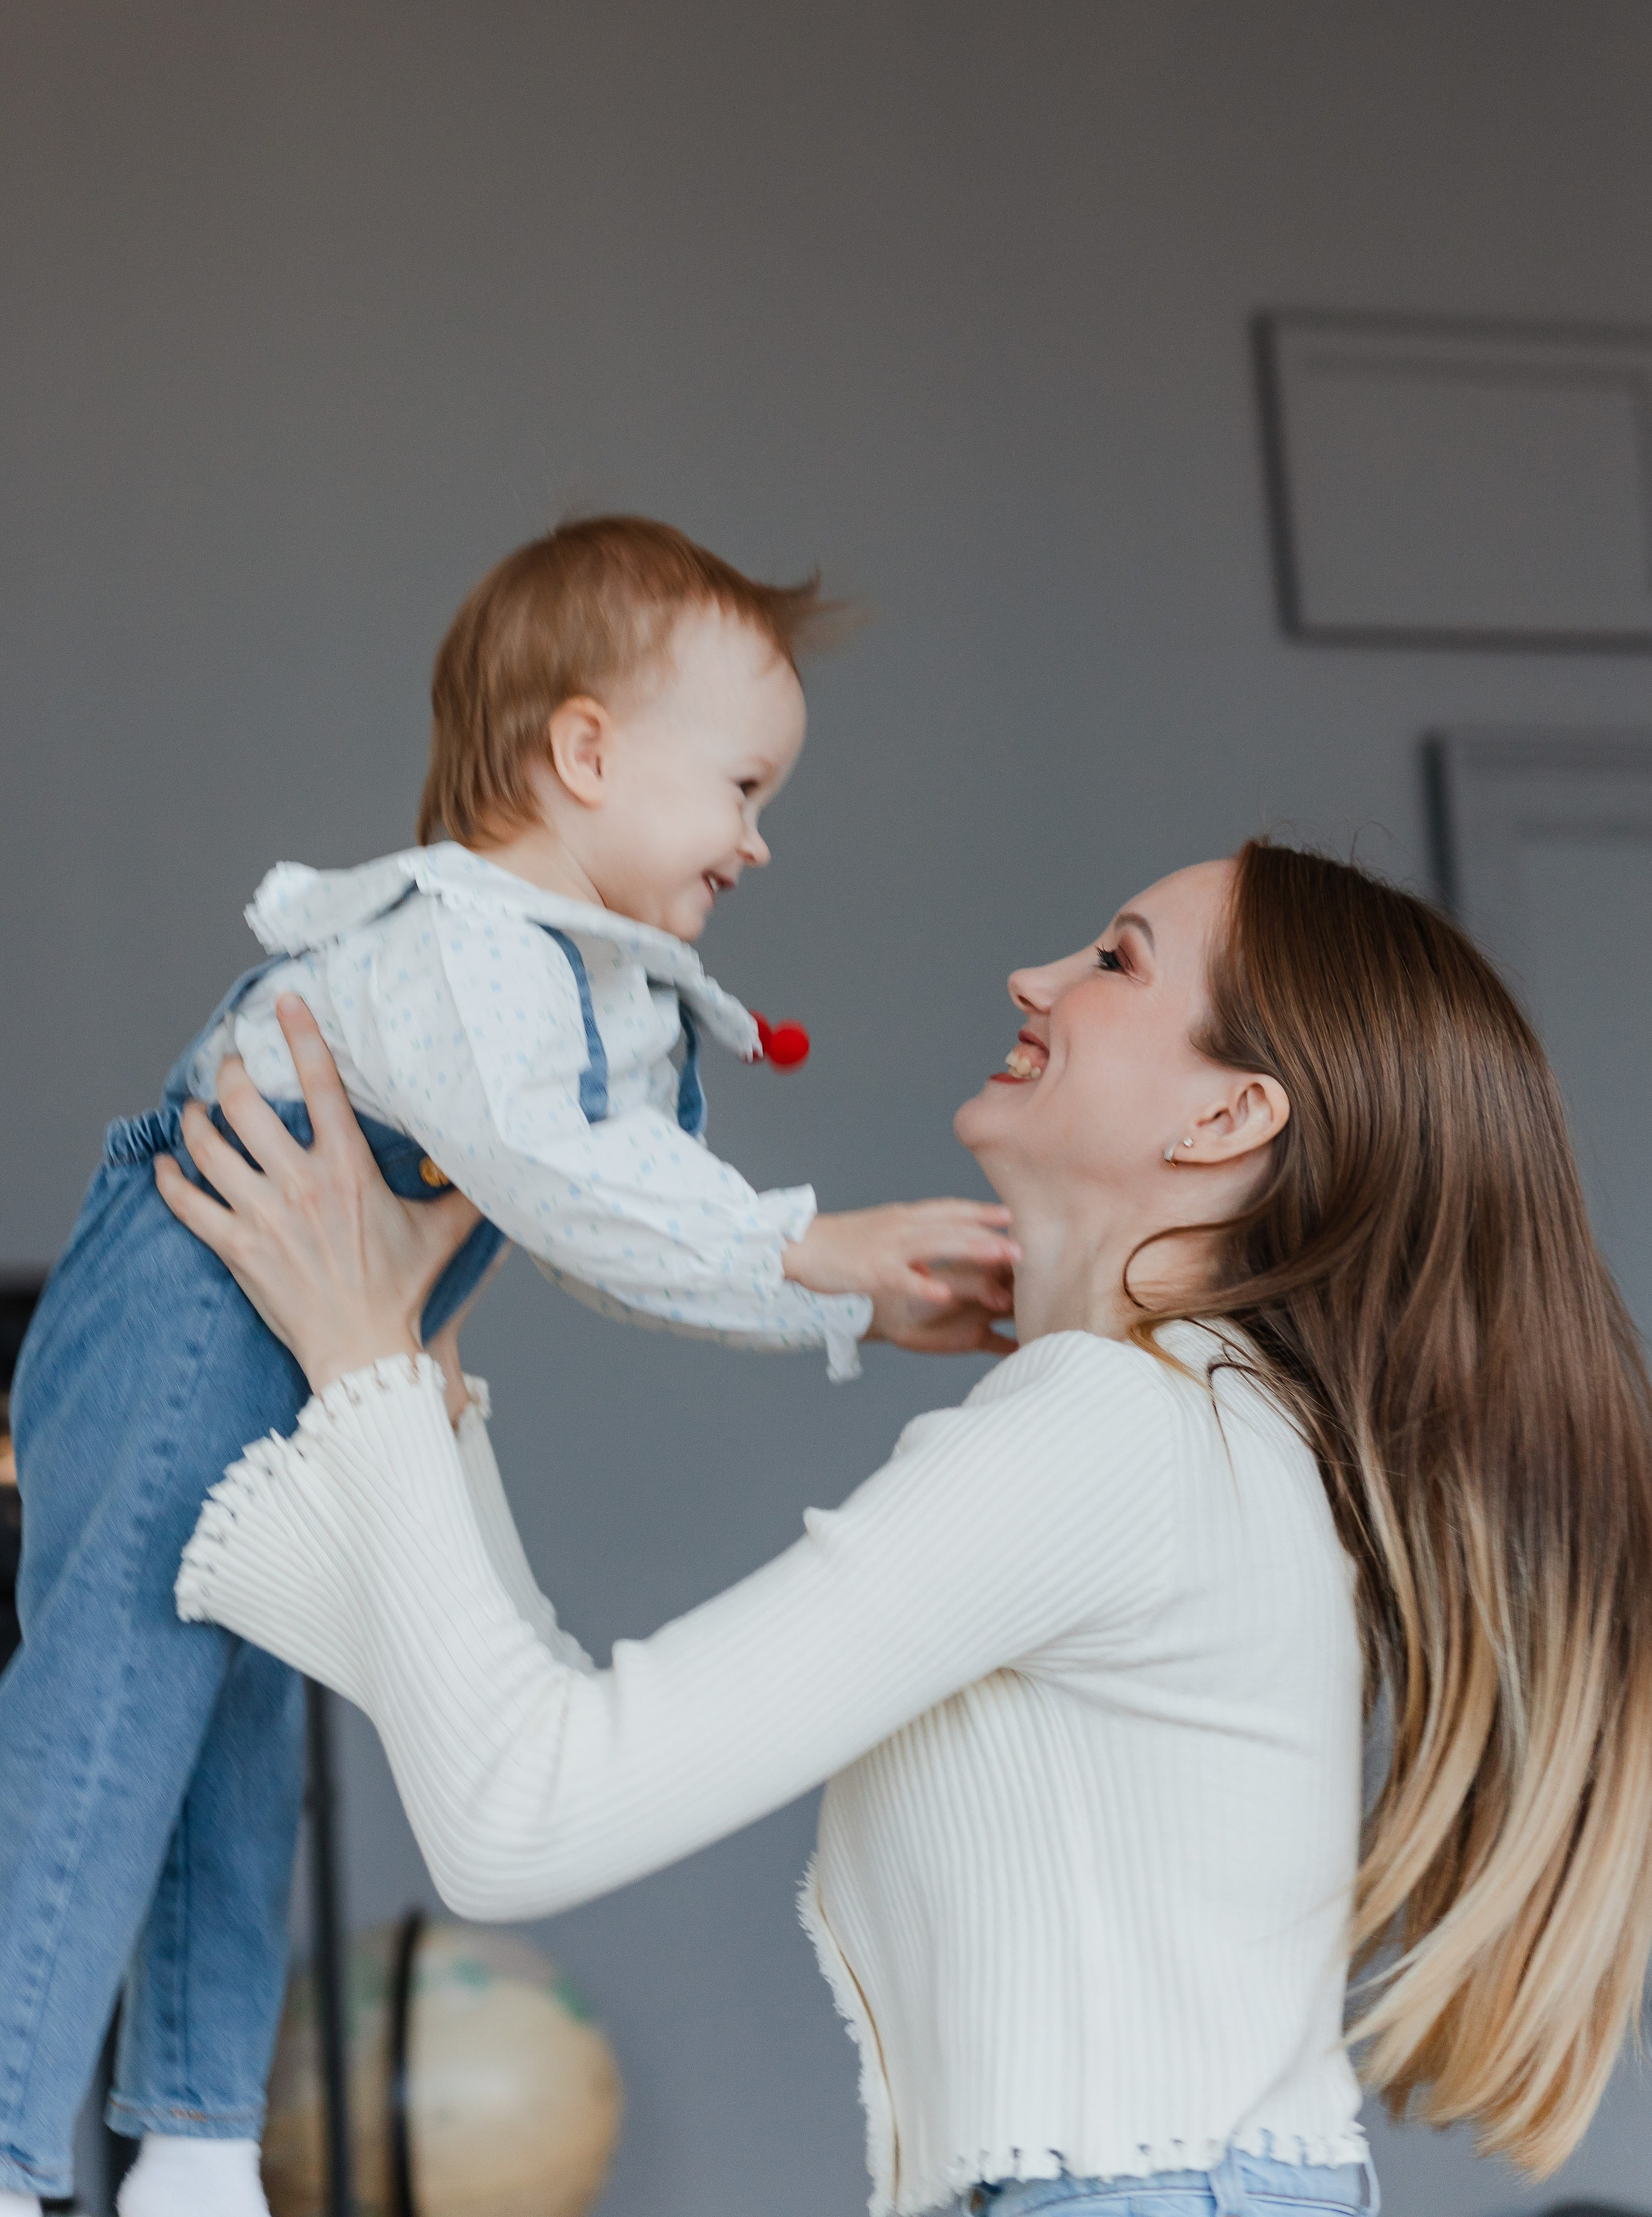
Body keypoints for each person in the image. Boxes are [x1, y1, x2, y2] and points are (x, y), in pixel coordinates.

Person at [159, 840, 1652, 2217]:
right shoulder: (1203, 1424)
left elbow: (521, 1814)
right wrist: (407, 1367)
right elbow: (550, 1745)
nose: (1034, 977)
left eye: (1117, 960)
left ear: (1225, 1115)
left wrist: (364, 1362)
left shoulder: (1119, 1430)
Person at [0, 516, 1014, 2217]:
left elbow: (610, 1228)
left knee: (240, 1740)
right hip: (184, 1300)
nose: (758, 841)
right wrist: (821, 1252)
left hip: (286, 1329)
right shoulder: (464, 942)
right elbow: (576, 1191)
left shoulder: (583, 975)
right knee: (108, 1714)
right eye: (744, 788)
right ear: (586, 752)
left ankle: (194, 2142)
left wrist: (838, 1301)